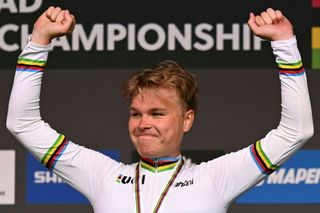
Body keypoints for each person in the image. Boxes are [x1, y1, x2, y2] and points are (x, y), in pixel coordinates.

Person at [6, 6, 313, 213]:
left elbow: (295, 132)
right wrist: (39, 41)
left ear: (187, 119)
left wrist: (285, 44)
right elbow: (23, 124)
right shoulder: (102, 175)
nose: (143, 123)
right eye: (136, 113)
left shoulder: (216, 177)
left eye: (157, 113)